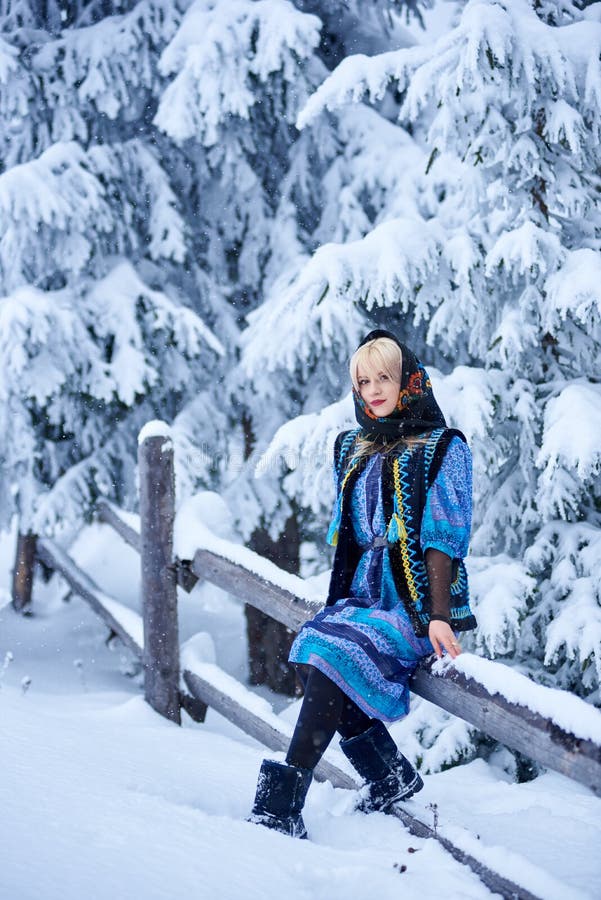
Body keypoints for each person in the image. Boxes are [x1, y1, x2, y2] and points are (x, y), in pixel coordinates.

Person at [248, 329, 477, 839]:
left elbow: (444, 536)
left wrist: (438, 615)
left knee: (332, 656)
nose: (373, 389)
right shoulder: (352, 445)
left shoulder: (445, 448)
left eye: (384, 378)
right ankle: (388, 776)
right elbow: (350, 532)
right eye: (363, 380)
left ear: (407, 380)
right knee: (311, 651)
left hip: (410, 604)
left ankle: (281, 804)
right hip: (361, 595)